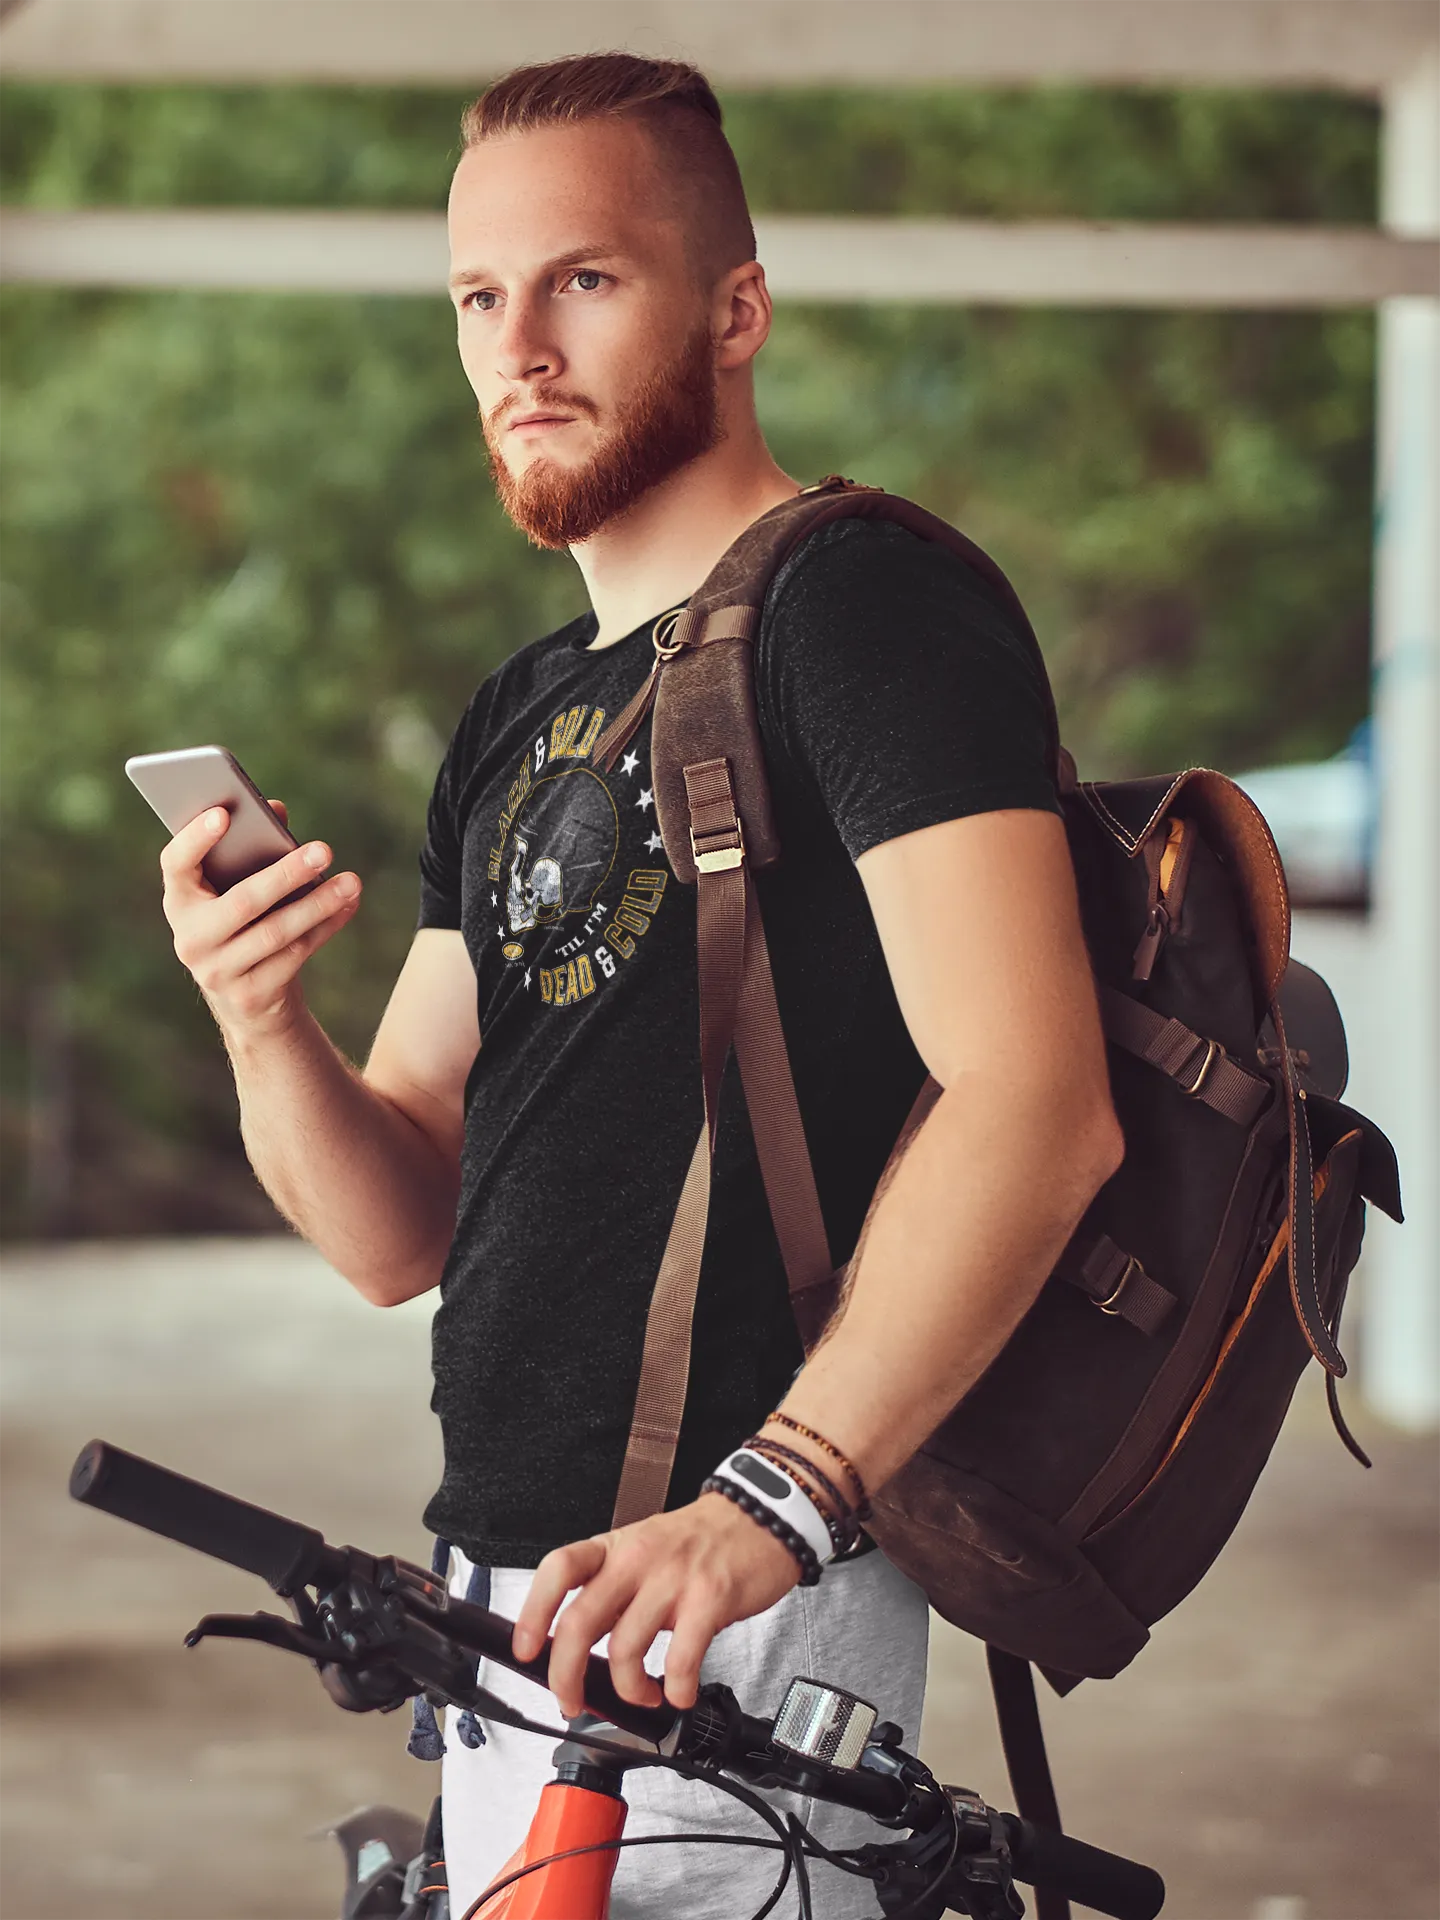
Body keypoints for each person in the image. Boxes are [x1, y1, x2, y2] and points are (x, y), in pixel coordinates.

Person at [159, 53, 1122, 1920]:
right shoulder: (519, 711)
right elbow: (395, 1225)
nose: (518, 343)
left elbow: (1037, 1101)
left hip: (740, 1587)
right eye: (475, 295)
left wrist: (779, 1505)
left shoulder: (861, 603)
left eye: (583, 279)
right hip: (505, 1603)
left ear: (735, 306)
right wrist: (259, 1017)